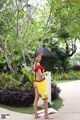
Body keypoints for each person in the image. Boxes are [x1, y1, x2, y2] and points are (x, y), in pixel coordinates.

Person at [33, 52, 52, 119]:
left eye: (40, 57)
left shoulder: (34, 64)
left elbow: (36, 74)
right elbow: (40, 74)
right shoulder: (37, 64)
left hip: (37, 82)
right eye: (38, 57)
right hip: (41, 83)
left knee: (36, 99)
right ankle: (46, 115)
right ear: (35, 58)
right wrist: (45, 73)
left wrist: (35, 82)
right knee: (45, 99)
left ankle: (36, 115)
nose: (39, 58)